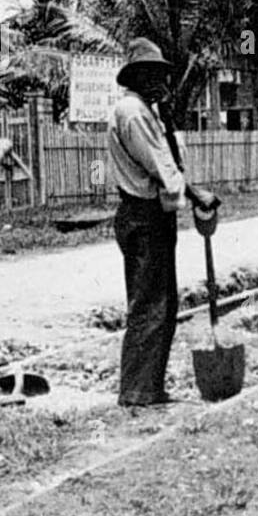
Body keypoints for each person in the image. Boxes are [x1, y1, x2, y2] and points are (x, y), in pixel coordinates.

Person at [107, 38, 189, 407]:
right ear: (137, 76)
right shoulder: (133, 112)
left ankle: (149, 387)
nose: (162, 83)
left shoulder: (148, 111)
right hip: (144, 214)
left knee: (163, 303)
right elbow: (163, 168)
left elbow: (172, 162)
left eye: (163, 75)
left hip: (153, 213)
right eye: (154, 75)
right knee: (150, 304)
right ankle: (138, 390)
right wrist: (188, 193)